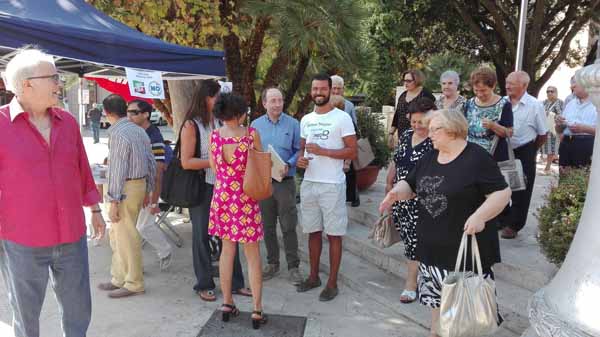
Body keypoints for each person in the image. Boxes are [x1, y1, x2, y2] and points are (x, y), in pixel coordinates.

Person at [0, 47, 105, 337]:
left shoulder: (67, 122)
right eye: (53, 77)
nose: (59, 84)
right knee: (26, 315)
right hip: (23, 240)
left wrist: (95, 209)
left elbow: (82, 169)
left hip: (71, 235)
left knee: (78, 311)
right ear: (26, 84)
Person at [379, 109, 512, 337]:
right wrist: (396, 193)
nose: (428, 134)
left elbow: (502, 193)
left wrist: (480, 216)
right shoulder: (431, 156)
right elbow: (410, 184)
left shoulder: (477, 158)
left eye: (434, 129)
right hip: (432, 250)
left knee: (465, 318)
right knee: (437, 308)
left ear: (453, 130)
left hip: (466, 252)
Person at [179, 80, 251, 302]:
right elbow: (186, 162)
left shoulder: (221, 122)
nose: (220, 100)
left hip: (226, 188)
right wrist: (215, 162)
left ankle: (236, 283)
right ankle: (204, 283)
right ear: (205, 98)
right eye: (216, 96)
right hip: (203, 188)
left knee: (230, 236)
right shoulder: (192, 125)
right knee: (201, 236)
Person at [296, 74, 358, 301]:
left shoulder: (342, 118)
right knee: (312, 231)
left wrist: (324, 152)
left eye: (323, 88)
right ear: (310, 91)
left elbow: (352, 151)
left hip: (332, 184)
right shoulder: (306, 120)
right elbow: (301, 149)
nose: (318, 92)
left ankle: (332, 282)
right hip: (310, 182)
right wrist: (299, 160)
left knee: (334, 235)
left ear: (331, 90)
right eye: (315, 88)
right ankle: (314, 277)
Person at [209, 93, 267, 328]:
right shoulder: (251, 135)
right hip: (246, 198)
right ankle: (256, 309)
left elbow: (215, 168)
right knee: (252, 255)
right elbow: (262, 163)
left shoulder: (215, 137)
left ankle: (227, 303)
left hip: (223, 197)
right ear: (240, 113)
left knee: (226, 251)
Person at [98, 94, 156, 298]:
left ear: (107, 112)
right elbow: (151, 162)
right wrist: (149, 189)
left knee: (126, 235)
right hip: (136, 185)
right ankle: (119, 277)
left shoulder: (119, 133)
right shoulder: (138, 130)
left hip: (125, 188)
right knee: (118, 235)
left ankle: (133, 282)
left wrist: (113, 200)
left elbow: (118, 169)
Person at [385, 97, 435, 304]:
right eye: (413, 121)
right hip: (400, 196)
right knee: (409, 239)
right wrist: (389, 181)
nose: (417, 126)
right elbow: (397, 160)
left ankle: (411, 284)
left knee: (415, 242)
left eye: (421, 122)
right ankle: (422, 275)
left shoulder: (435, 140)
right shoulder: (406, 135)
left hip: (421, 200)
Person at [251, 87, 302, 284]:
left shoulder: (293, 124)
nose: (277, 104)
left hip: (285, 182)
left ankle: (293, 266)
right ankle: (273, 263)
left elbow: (299, 150)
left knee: (288, 225)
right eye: (273, 101)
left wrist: (288, 163)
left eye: (280, 100)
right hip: (263, 183)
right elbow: (252, 152)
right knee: (268, 225)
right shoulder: (255, 125)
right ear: (264, 103)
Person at [127, 99, 173, 271]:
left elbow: (158, 171)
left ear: (146, 114)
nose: (129, 115)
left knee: (143, 226)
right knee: (132, 228)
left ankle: (165, 251)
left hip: (150, 187)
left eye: (134, 112)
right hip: (135, 187)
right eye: (128, 111)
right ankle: (135, 267)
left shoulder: (154, 137)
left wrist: (154, 201)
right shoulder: (135, 132)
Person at [501, 71, 548, 239]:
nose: (507, 86)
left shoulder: (535, 105)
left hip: (524, 150)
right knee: (503, 186)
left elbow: (543, 134)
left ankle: (514, 225)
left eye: (511, 83)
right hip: (504, 149)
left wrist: (531, 150)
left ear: (524, 85)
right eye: (507, 82)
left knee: (521, 189)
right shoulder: (503, 102)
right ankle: (503, 218)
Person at [464, 66, 513, 161]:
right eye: (476, 90)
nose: (480, 94)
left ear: (493, 86)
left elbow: (509, 133)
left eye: (483, 90)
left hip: (494, 157)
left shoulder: (504, 105)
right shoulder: (469, 104)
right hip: (471, 156)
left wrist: (493, 126)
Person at [555, 75, 597, 170]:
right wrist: (559, 124)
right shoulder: (570, 104)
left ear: (586, 85)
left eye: (575, 84)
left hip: (587, 145)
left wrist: (584, 128)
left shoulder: (597, 104)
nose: (572, 87)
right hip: (566, 145)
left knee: (582, 179)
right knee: (565, 180)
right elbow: (559, 130)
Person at [331, 75, 360, 207]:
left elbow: (355, 125)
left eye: (339, 88)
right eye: (334, 88)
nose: (336, 91)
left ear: (343, 89)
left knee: (350, 172)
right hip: (332, 146)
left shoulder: (349, 105)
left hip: (347, 143)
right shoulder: (323, 103)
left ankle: (353, 196)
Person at [389, 69, 436, 148]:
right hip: (402, 135)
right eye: (404, 81)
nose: (405, 83)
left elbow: (432, 116)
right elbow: (397, 115)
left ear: (417, 80)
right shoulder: (403, 95)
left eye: (409, 81)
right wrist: (391, 133)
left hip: (420, 136)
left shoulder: (426, 94)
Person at [541, 86, 564, 174]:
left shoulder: (560, 102)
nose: (549, 93)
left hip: (554, 129)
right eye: (548, 91)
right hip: (545, 128)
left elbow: (561, 115)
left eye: (552, 91)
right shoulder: (544, 102)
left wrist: (550, 114)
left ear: (556, 92)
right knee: (545, 148)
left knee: (552, 148)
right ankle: (546, 167)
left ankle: (547, 168)